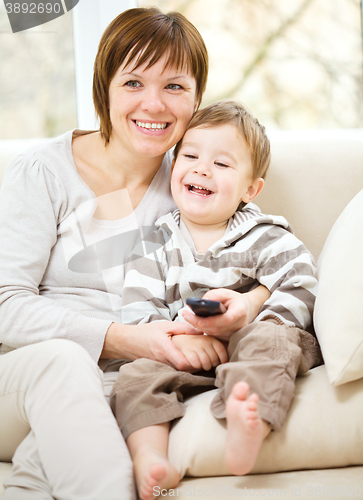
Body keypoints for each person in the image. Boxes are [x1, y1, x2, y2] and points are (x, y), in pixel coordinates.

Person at [0, 8, 270, 500]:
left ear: (196, 99)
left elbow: (257, 265)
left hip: (123, 385)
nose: (154, 104)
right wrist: (131, 340)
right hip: (26, 375)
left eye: (175, 87)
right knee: (64, 363)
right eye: (132, 82)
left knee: (46, 471)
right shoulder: (41, 172)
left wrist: (237, 313)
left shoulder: (196, 180)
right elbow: (4, 304)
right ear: (104, 87)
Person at [110, 100, 322, 500]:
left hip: (254, 338)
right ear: (174, 167)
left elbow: (303, 282)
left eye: (222, 164)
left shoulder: (264, 234)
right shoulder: (153, 244)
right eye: (189, 156)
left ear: (250, 188)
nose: (202, 169)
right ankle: (150, 458)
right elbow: (138, 312)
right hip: (184, 354)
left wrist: (258, 320)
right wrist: (178, 342)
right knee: (136, 375)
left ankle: (250, 424)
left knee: (271, 343)